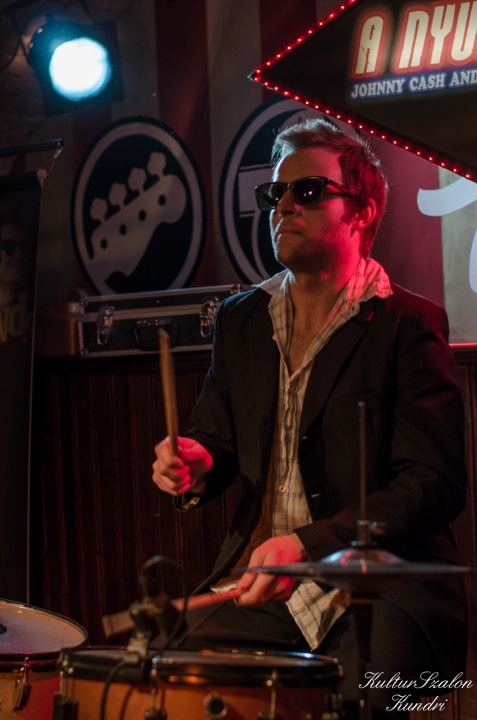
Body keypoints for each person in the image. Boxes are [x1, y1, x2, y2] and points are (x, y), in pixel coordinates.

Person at [152, 118, 467, 719]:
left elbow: (433, 483)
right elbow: (214, 438)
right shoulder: (241, 320)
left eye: (308, 191)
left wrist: (307, 545)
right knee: (163, 676)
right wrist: (194, 462)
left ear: (362, 211)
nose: (284, 206)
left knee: (370, 701)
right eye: (276, 193)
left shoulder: (407, 323)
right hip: (262, 585)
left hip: (380, 585)